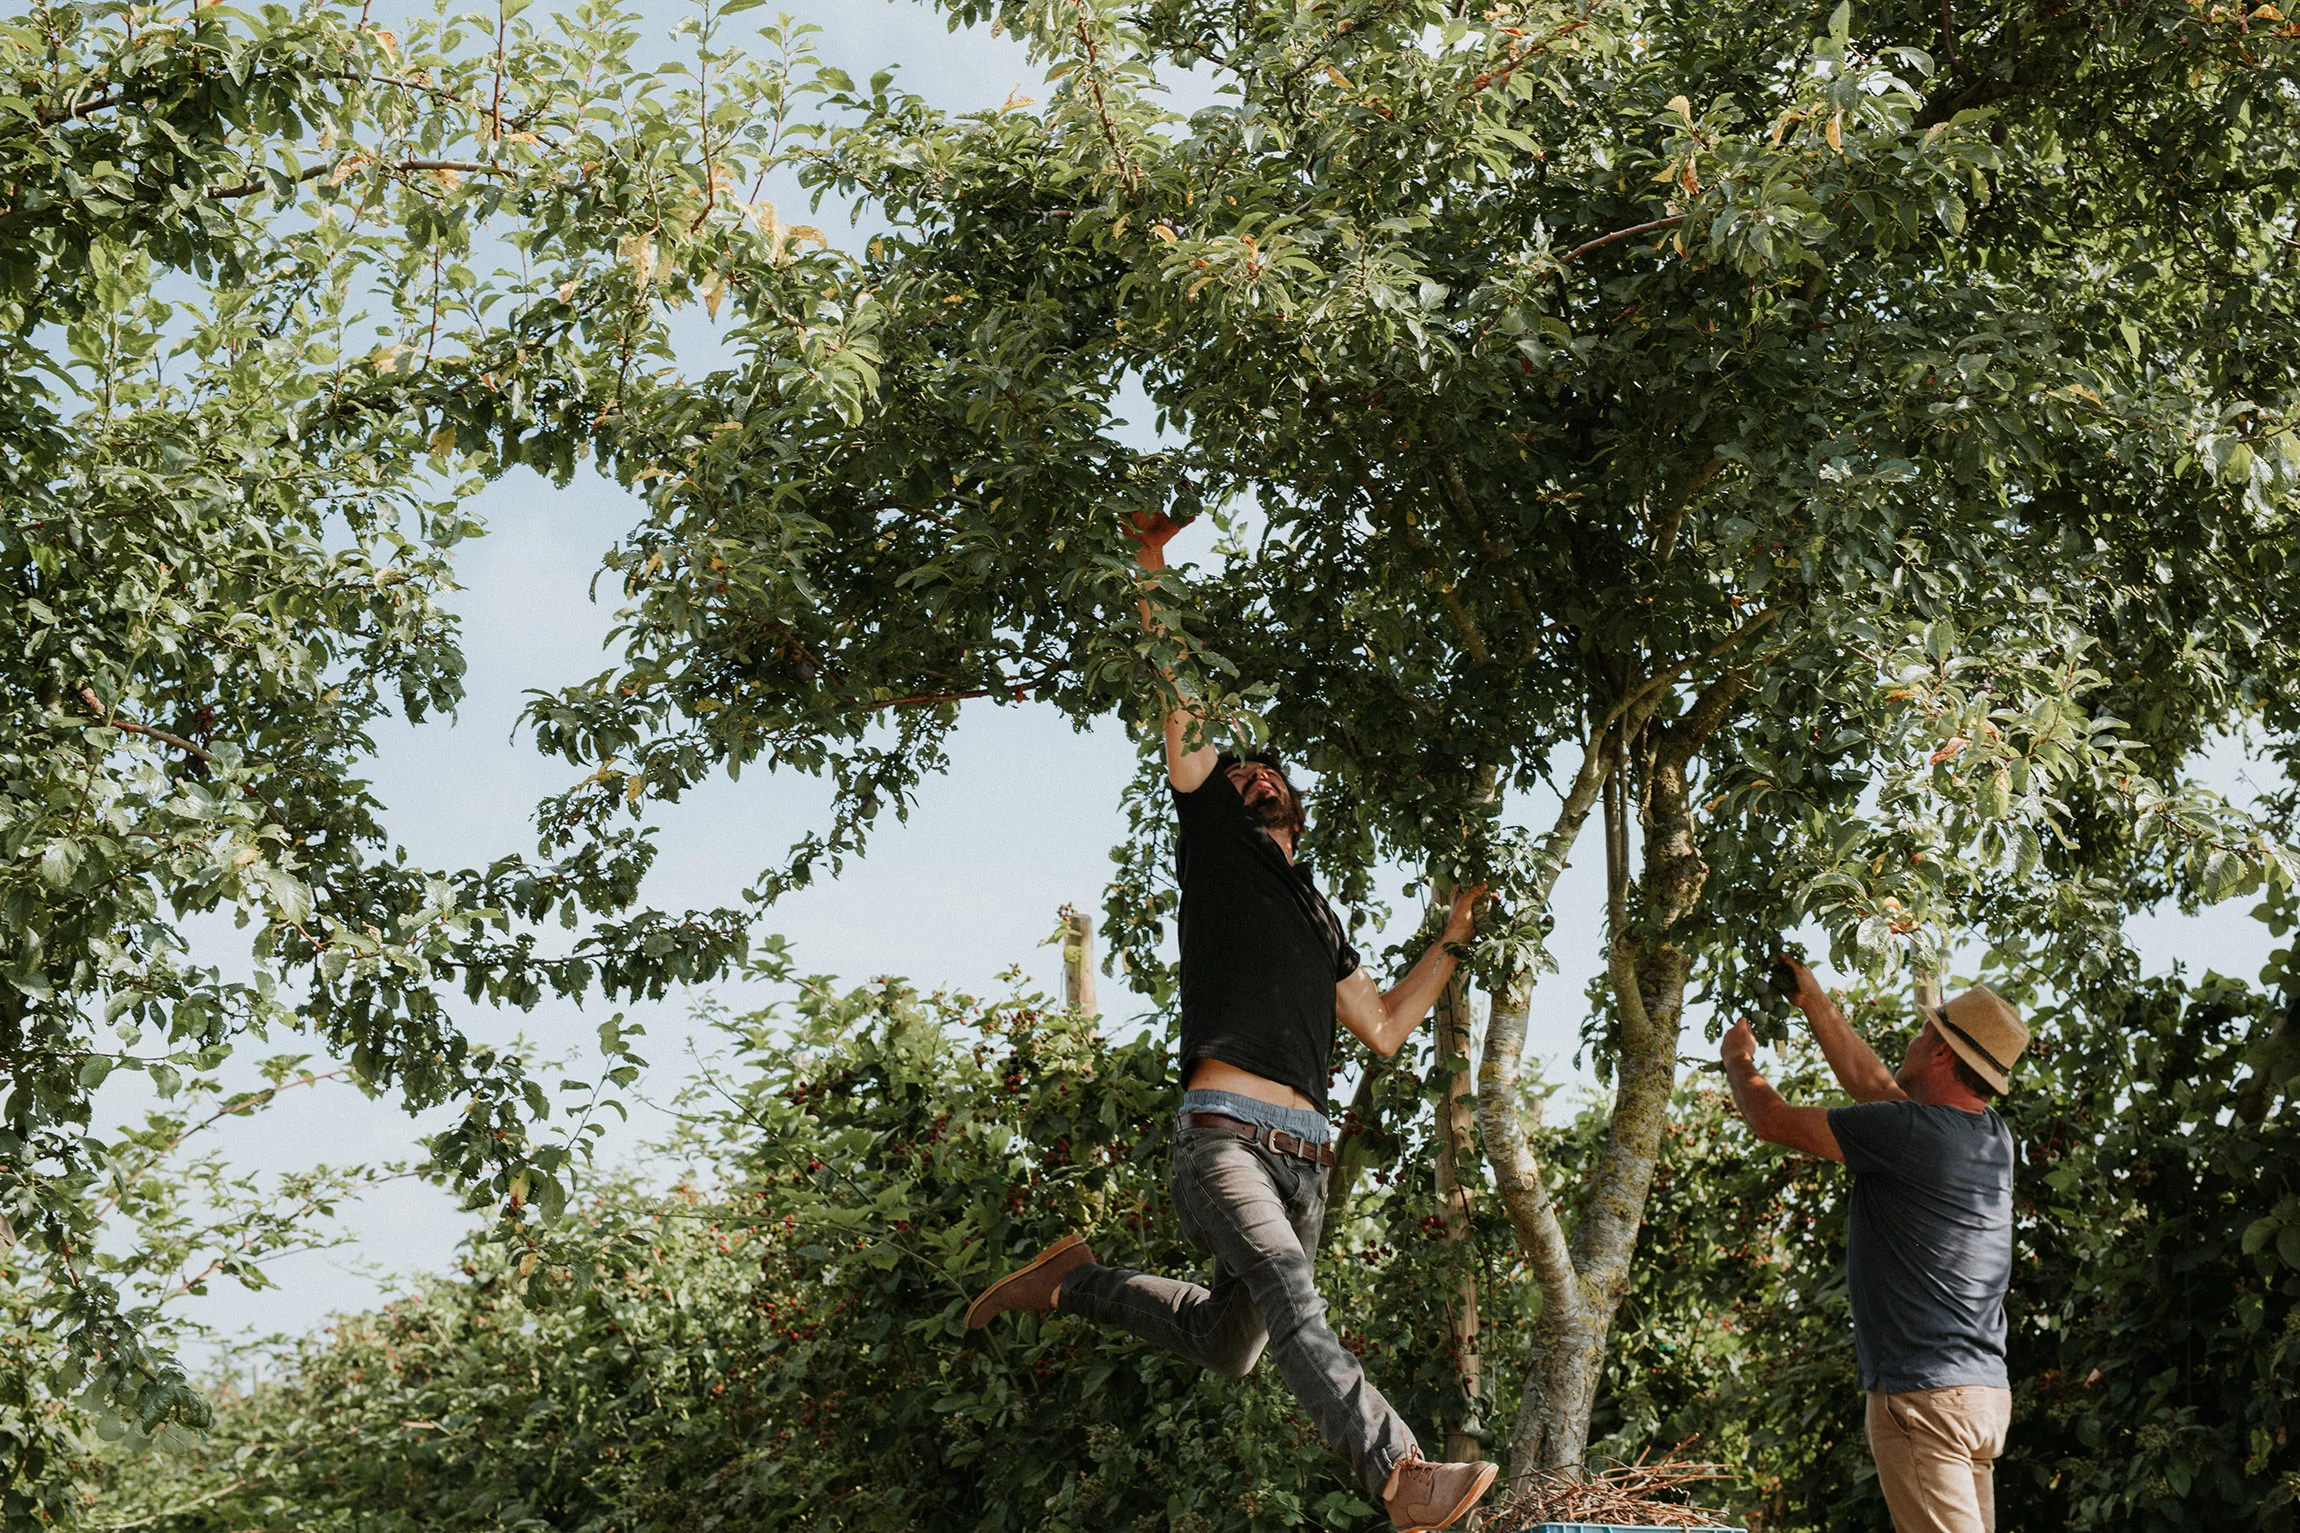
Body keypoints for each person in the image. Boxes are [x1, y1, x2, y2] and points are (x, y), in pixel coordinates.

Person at [962, 510, 1499, 1533]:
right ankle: (1403, 1477)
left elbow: (1382, 1025)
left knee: (1231, 1340)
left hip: (1304, 1161)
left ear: (1294, 811)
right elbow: (1184, 710)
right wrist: (1150, 568)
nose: (1248, 773)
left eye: (1267, 774)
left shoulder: (1316, 916)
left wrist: (1456, 936)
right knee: (1296, 1302)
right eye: (1236, 768)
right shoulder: (1216, 842)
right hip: (1222, 1140)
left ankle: (1075, 1283)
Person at [1720, 957, 2032, 1533]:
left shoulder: (1909, 1134)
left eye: (1922, 1032)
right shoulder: (1989, 1136)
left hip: (1924, 1394)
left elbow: (1772, 1120)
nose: (1913, 1041)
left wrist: (1737, 1060)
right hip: (1981, 1394)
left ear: (1941, 1054)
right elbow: (1876, 1088)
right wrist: (1812, 1001)